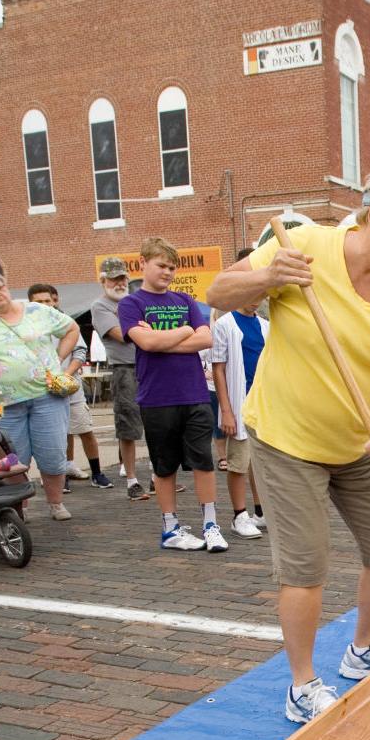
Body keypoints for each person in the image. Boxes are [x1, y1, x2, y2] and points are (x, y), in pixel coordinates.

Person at [207, 166, 370, 724]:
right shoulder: (304, 244)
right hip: (287, 438)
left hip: (361, 441)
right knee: (306, 565)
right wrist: (268, 278)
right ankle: (301, 684)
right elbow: (218, 292)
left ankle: (360, 650)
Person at [119, 236, 230, 552]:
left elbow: (205, 339)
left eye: (172, 267)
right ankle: (170, 528)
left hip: (194, 393)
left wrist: (162, 337)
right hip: (157, 397)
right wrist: (184, 332)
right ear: (143, 263)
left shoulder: (185, 301)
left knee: (204, 462)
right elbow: (147, 344)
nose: (167, 272)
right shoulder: (132, 304)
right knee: (164, 466)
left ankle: (211, 524)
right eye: (161, 265)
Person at [0, 266, 78, 521]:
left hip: (48, 396)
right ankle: (20, 507)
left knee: (52, 452)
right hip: (5, 403)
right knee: (12, 458)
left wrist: (58, 358)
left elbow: (72, 329)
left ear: (7, 286)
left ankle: (56, 503)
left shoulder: (38, 310)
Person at [27, 283, 113, 489]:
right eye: (38, 302)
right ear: (30, 303)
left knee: (84, 429)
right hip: (42, 390)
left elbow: (80, 352)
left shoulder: (66, 323)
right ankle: (63, 473)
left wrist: (64, 376)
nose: (44, 305)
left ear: (54, 301)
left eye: (47, 300)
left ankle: (97, 473)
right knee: (58, 435)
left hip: (70, 388)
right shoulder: (25, 328)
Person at [209, 292, 269, 538]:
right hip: (238, 402)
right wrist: (226, 410)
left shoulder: (266, 326)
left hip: (263, 405)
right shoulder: (225, 324)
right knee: (239, 463)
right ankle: (239, 514)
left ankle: (260, 511)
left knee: (260, 463)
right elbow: (218, 368)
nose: (255, 299)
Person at [90, 258, 148, 500]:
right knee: (128, 426)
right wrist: (142, 327)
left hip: (149, 365)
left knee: (156, 422)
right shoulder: (100, 306)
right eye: (114, 278)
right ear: (103, 280)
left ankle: (159, 477)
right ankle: (132, 480)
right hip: (124, 369)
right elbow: (123, 335)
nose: (120, 282)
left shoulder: (135, 301)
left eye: (123, 277)